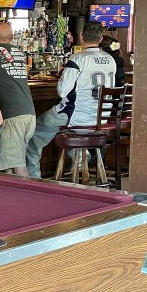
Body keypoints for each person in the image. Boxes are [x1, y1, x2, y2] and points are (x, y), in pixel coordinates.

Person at [25, 20, 117, 179]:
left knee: (32, 134)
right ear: (101, 39)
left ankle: (34, 179)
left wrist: (63, 74)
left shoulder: (77, 58)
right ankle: (80, 156)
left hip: (74, 116)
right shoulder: (110, 59)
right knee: (67, 132)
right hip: (100, 119)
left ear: (81, 37)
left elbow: (62, 92)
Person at [0, 21, 35, 177]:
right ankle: (12, 198)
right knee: (9, 165)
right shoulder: (19, 53)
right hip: (28, 114)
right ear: (11, 37)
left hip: (12, 116)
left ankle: (27, 199)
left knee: (17, 165)